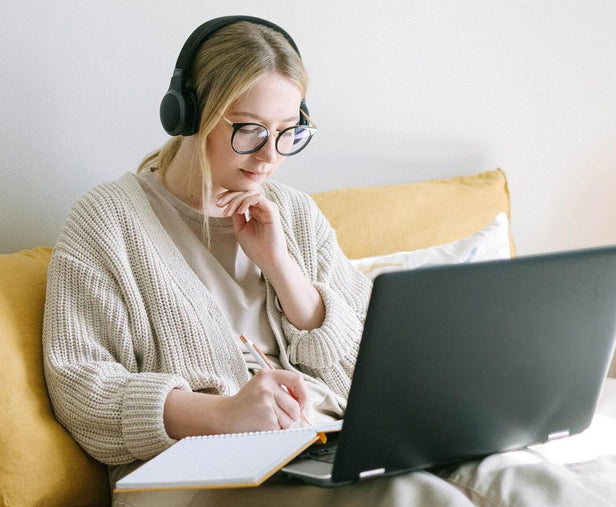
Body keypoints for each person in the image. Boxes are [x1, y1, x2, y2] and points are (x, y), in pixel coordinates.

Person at [42, 16, 614, 506]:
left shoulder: (292, 212)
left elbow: (370, 367)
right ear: (190, 115)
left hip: (320, 444)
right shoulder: (106, 222)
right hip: (192, 477)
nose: (270, 156)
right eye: (249, 131)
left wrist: (283, 268)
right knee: (413, 497)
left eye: (289, 133)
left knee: (523, 477)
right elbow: (84, 393)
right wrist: (221, 415)